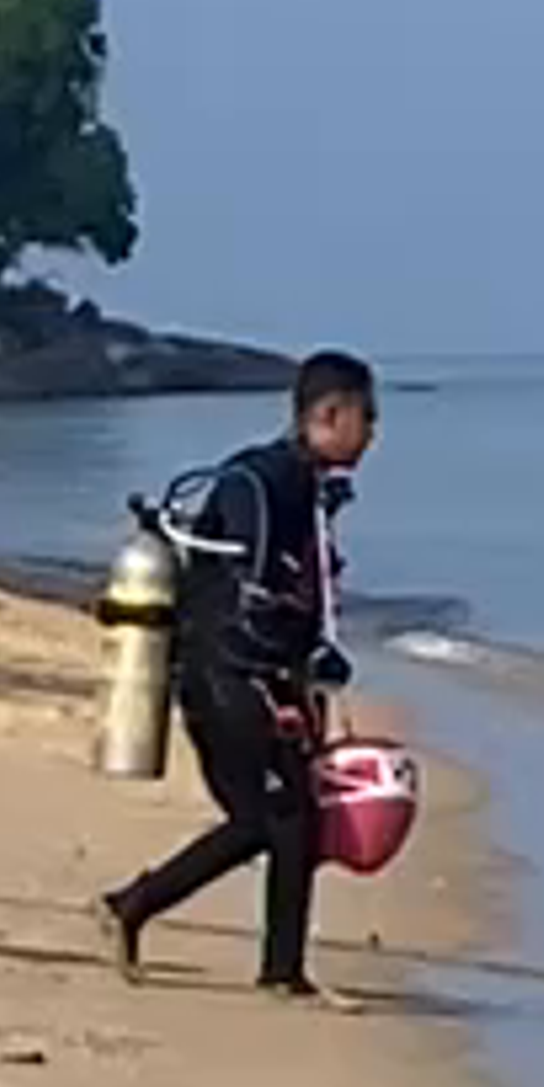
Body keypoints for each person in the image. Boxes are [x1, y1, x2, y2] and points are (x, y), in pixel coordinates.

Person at [100, 352, 379, 1001]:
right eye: (367, 418)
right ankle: (132, 905)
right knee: (267, 818)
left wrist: (305, 665)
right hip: (222, 675)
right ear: (329, 415)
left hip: (257, 674)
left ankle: (282, 971)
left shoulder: (304, 487)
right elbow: (250, 598)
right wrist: (285, 665)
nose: (372, 434)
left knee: (292, 820)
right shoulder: (259, 482)